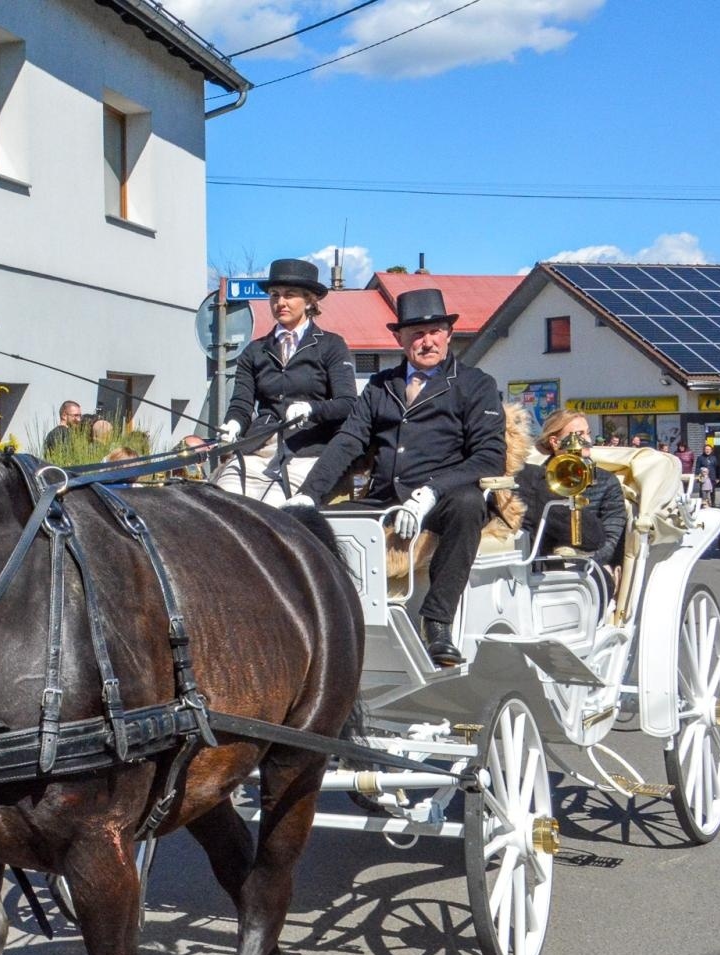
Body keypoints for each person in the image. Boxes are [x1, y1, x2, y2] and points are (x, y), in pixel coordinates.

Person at [286, 287, 504, 667]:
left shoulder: (475, 384)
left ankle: (437, 623)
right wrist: (308, 495)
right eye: (417, 334)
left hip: (443, 498)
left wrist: (431, 493)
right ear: (399, 339)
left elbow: (490, 457)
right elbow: (350, 440)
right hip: (386, 496)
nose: (427, 342)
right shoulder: (380, 385)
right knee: (316, 524)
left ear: (449, 335)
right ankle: (319, 622)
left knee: (469, 506)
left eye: (435, 331)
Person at [215, 258, 357, 506]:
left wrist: (312, 409)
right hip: (258, 451)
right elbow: (241, 403)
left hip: (307, 452)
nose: (280, 302)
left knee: (272, 511)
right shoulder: (254, 351)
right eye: (274, 295)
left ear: (310, 300)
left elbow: (347, 403)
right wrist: (234, 424)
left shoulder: (331, 346)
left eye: (289, 295)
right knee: (221, 504)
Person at [514, 410, 627, 581]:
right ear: (555, 442)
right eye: (579, 434)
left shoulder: (606, 482)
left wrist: (576, 565)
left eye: (588, 433)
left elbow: (610, 542)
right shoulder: (536, 479)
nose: (588, 440)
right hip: (540, 566)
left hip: (588, 568)